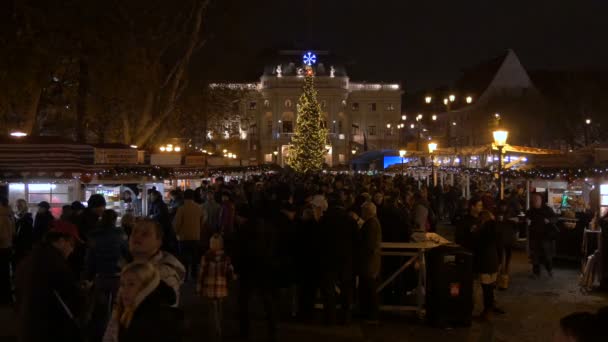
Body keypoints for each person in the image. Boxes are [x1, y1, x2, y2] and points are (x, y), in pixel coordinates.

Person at [15, 223, 84, 342]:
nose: (72, 250)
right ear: (61, 241)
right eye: (72, 244)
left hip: (26, 327)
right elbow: (73, 301)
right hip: (51, 330)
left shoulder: (27, 260)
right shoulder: (57, 264)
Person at [102, 262, 183, 342]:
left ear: (146, 287)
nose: (124, 290)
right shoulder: (132, 312)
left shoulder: (155, 320)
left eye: (131, 284)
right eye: (123, 284)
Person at [234, 204, 280, 342]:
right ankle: (272, 331)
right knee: (268, 302)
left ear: (243, 216)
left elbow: (239, 252)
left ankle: (244, 333)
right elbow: (274, 248)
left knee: (243, 304)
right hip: (265, 269)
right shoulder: (268, 228)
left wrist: (237, 269)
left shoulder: (243, 230)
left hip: (248, 271)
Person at [85, 209, 129, 342]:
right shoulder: (120, 234)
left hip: (101, 275)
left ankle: (98, 336)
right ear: (115, 220)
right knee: (119, 308)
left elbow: (90, 258)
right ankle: (117, 335)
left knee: (100, 310)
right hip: (117, 274)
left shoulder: (94, 235)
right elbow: (127, 252)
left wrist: (88, 276)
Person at [319, 194, 358, 325]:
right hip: (346, 258)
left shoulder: (325, 220)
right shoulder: (350, 220)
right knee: (346, 288)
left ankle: (330, 317)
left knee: (328, 288)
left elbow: (320, 239)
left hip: (328, 258)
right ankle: (346, 316)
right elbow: (356, 239)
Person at [129, 218, 185, 306]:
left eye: (145, 234)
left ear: (158, 242)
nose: (137, 236)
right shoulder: (134, 267)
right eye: (134, 232)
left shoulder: (163, 276)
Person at [197, 234, 235, 339]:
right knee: (219, 310)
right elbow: (230, 272)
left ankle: (215, 331)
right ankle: (219, 329)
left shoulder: (206, 257)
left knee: (211, 311)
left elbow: (201, 273)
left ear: (211, 245)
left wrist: (199, 288)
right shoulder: (226, 257)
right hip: (221, 288)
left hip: (209, 288)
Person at [473, 210, 501, 321]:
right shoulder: (496, 230)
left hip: (485, 262)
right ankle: (490, 309)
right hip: (493, 261)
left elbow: (477, 246)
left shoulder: (482, 231)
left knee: (486, 289)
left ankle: (487, 312)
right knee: (490, 288)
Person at [173, 189, 205, 281]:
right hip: (195, 236)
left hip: (183, 237)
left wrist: (176, 233)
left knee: (184, 258)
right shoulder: (199, 207)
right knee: (195, 257)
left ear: (184, 197)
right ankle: (194, 274)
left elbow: (177, 224)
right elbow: (203, 221)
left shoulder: (181, 208)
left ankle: (185, 275)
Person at [358, 201, 382, 323]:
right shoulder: (372, 223)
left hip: (369, 263)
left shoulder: (370, 224)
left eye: (363, 210)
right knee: (369, 288)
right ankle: (369, 313)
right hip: (371, 262)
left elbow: (369, 245)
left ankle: (371, 315)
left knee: (370, 289)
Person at [527, 193, 558, 278]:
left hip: (546, 236)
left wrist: (549, 220)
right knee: (535, 255)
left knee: (547, 255)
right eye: (534, 200)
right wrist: (527, 220)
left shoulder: (548, 209)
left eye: (537, 200)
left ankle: (550, 269)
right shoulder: (531, 210)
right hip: (534, 236)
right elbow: (526, 217)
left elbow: (555, 218)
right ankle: (536, 272)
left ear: (541, 200)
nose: (535, 201)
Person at [0, 197, 14, 305]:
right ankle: (7, 297)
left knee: (3, 274)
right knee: (5, 274)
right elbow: (13, 232)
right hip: (8, 246)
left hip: (2, 247)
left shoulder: (1, 216)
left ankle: (4, 298)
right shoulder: (10, 214)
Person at [13, 199, 34, 267]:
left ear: (24, 206)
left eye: (20, 205)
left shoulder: (28, 217)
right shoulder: (17, 216)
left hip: (24, 242)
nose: (18, 207)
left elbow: (28, 230)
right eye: (17, 205)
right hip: (17, 241)